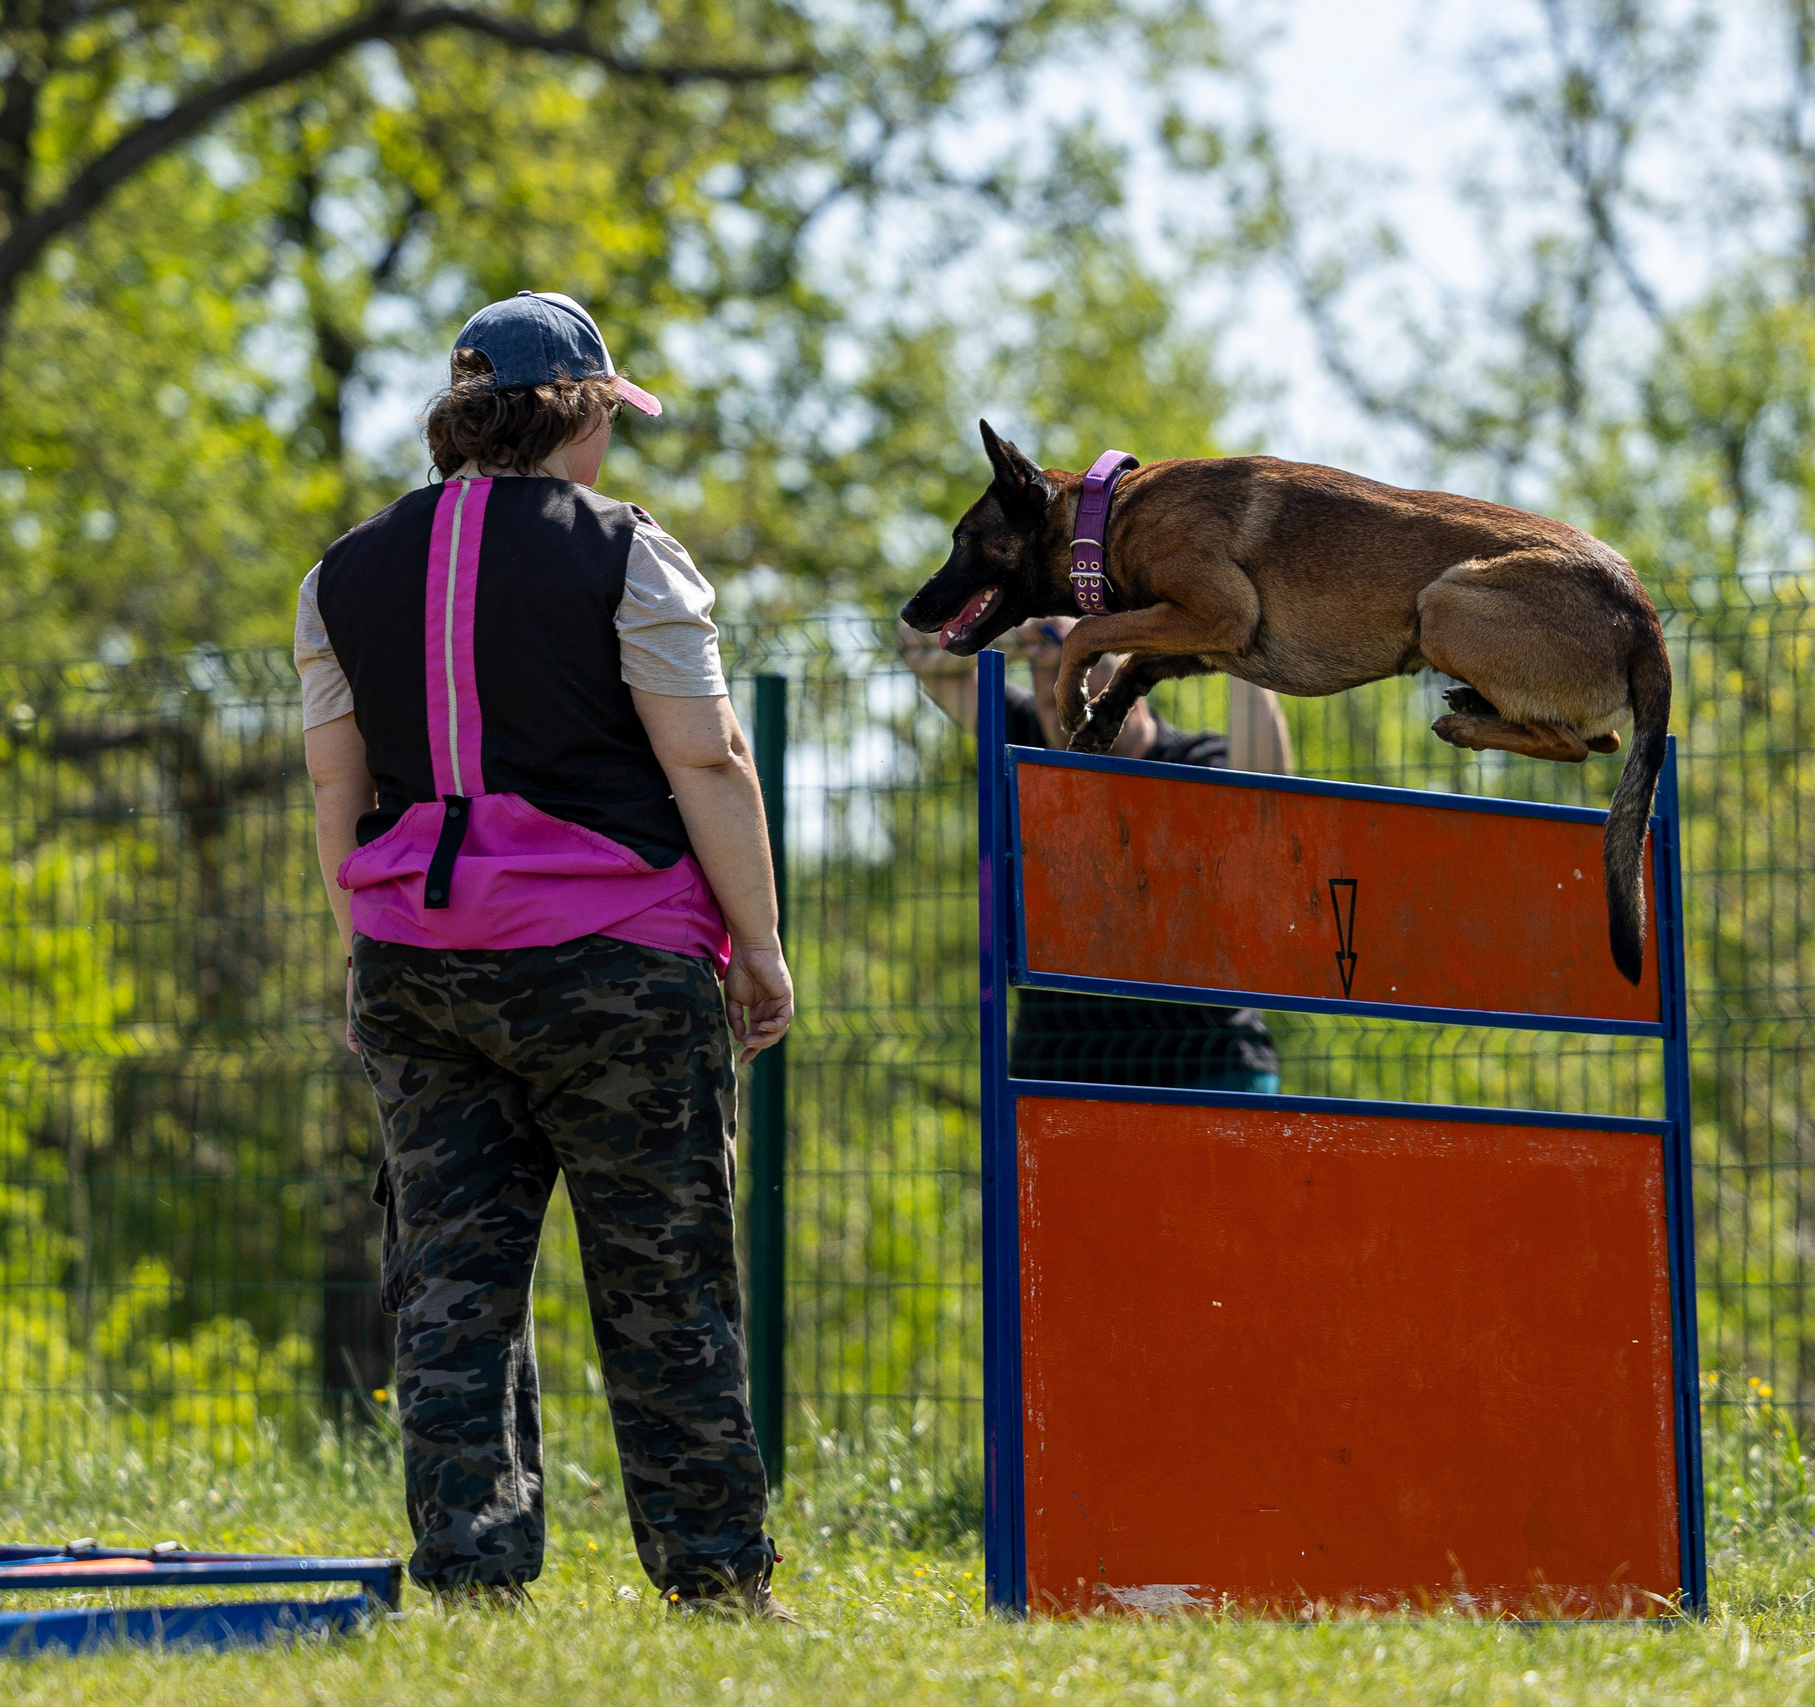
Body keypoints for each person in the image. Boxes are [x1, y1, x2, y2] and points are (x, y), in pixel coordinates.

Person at [296, 292, 793, 1617]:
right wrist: (758, 942)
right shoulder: (629, 551)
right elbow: (706, 756)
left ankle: (474, 1579)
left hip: (417, 963)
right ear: (578, 412)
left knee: (451, 1287)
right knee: (664, 1276)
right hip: (615, 961)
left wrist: (362, 954)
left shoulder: (340, 571)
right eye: (607, 417)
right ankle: (716, 1581)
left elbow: (338, 785)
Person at [897, 616, 1285, 1092]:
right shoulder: (1026, 741)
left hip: (1205, 1064)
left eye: (1088, 695)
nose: (1071, 721)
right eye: (1055, 702)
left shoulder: (1197, 762)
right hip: (1059, 1070)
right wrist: (1023, 632)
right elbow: (915, 644)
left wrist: (1235, 637)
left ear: (1132, 675)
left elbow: (1268, 791)